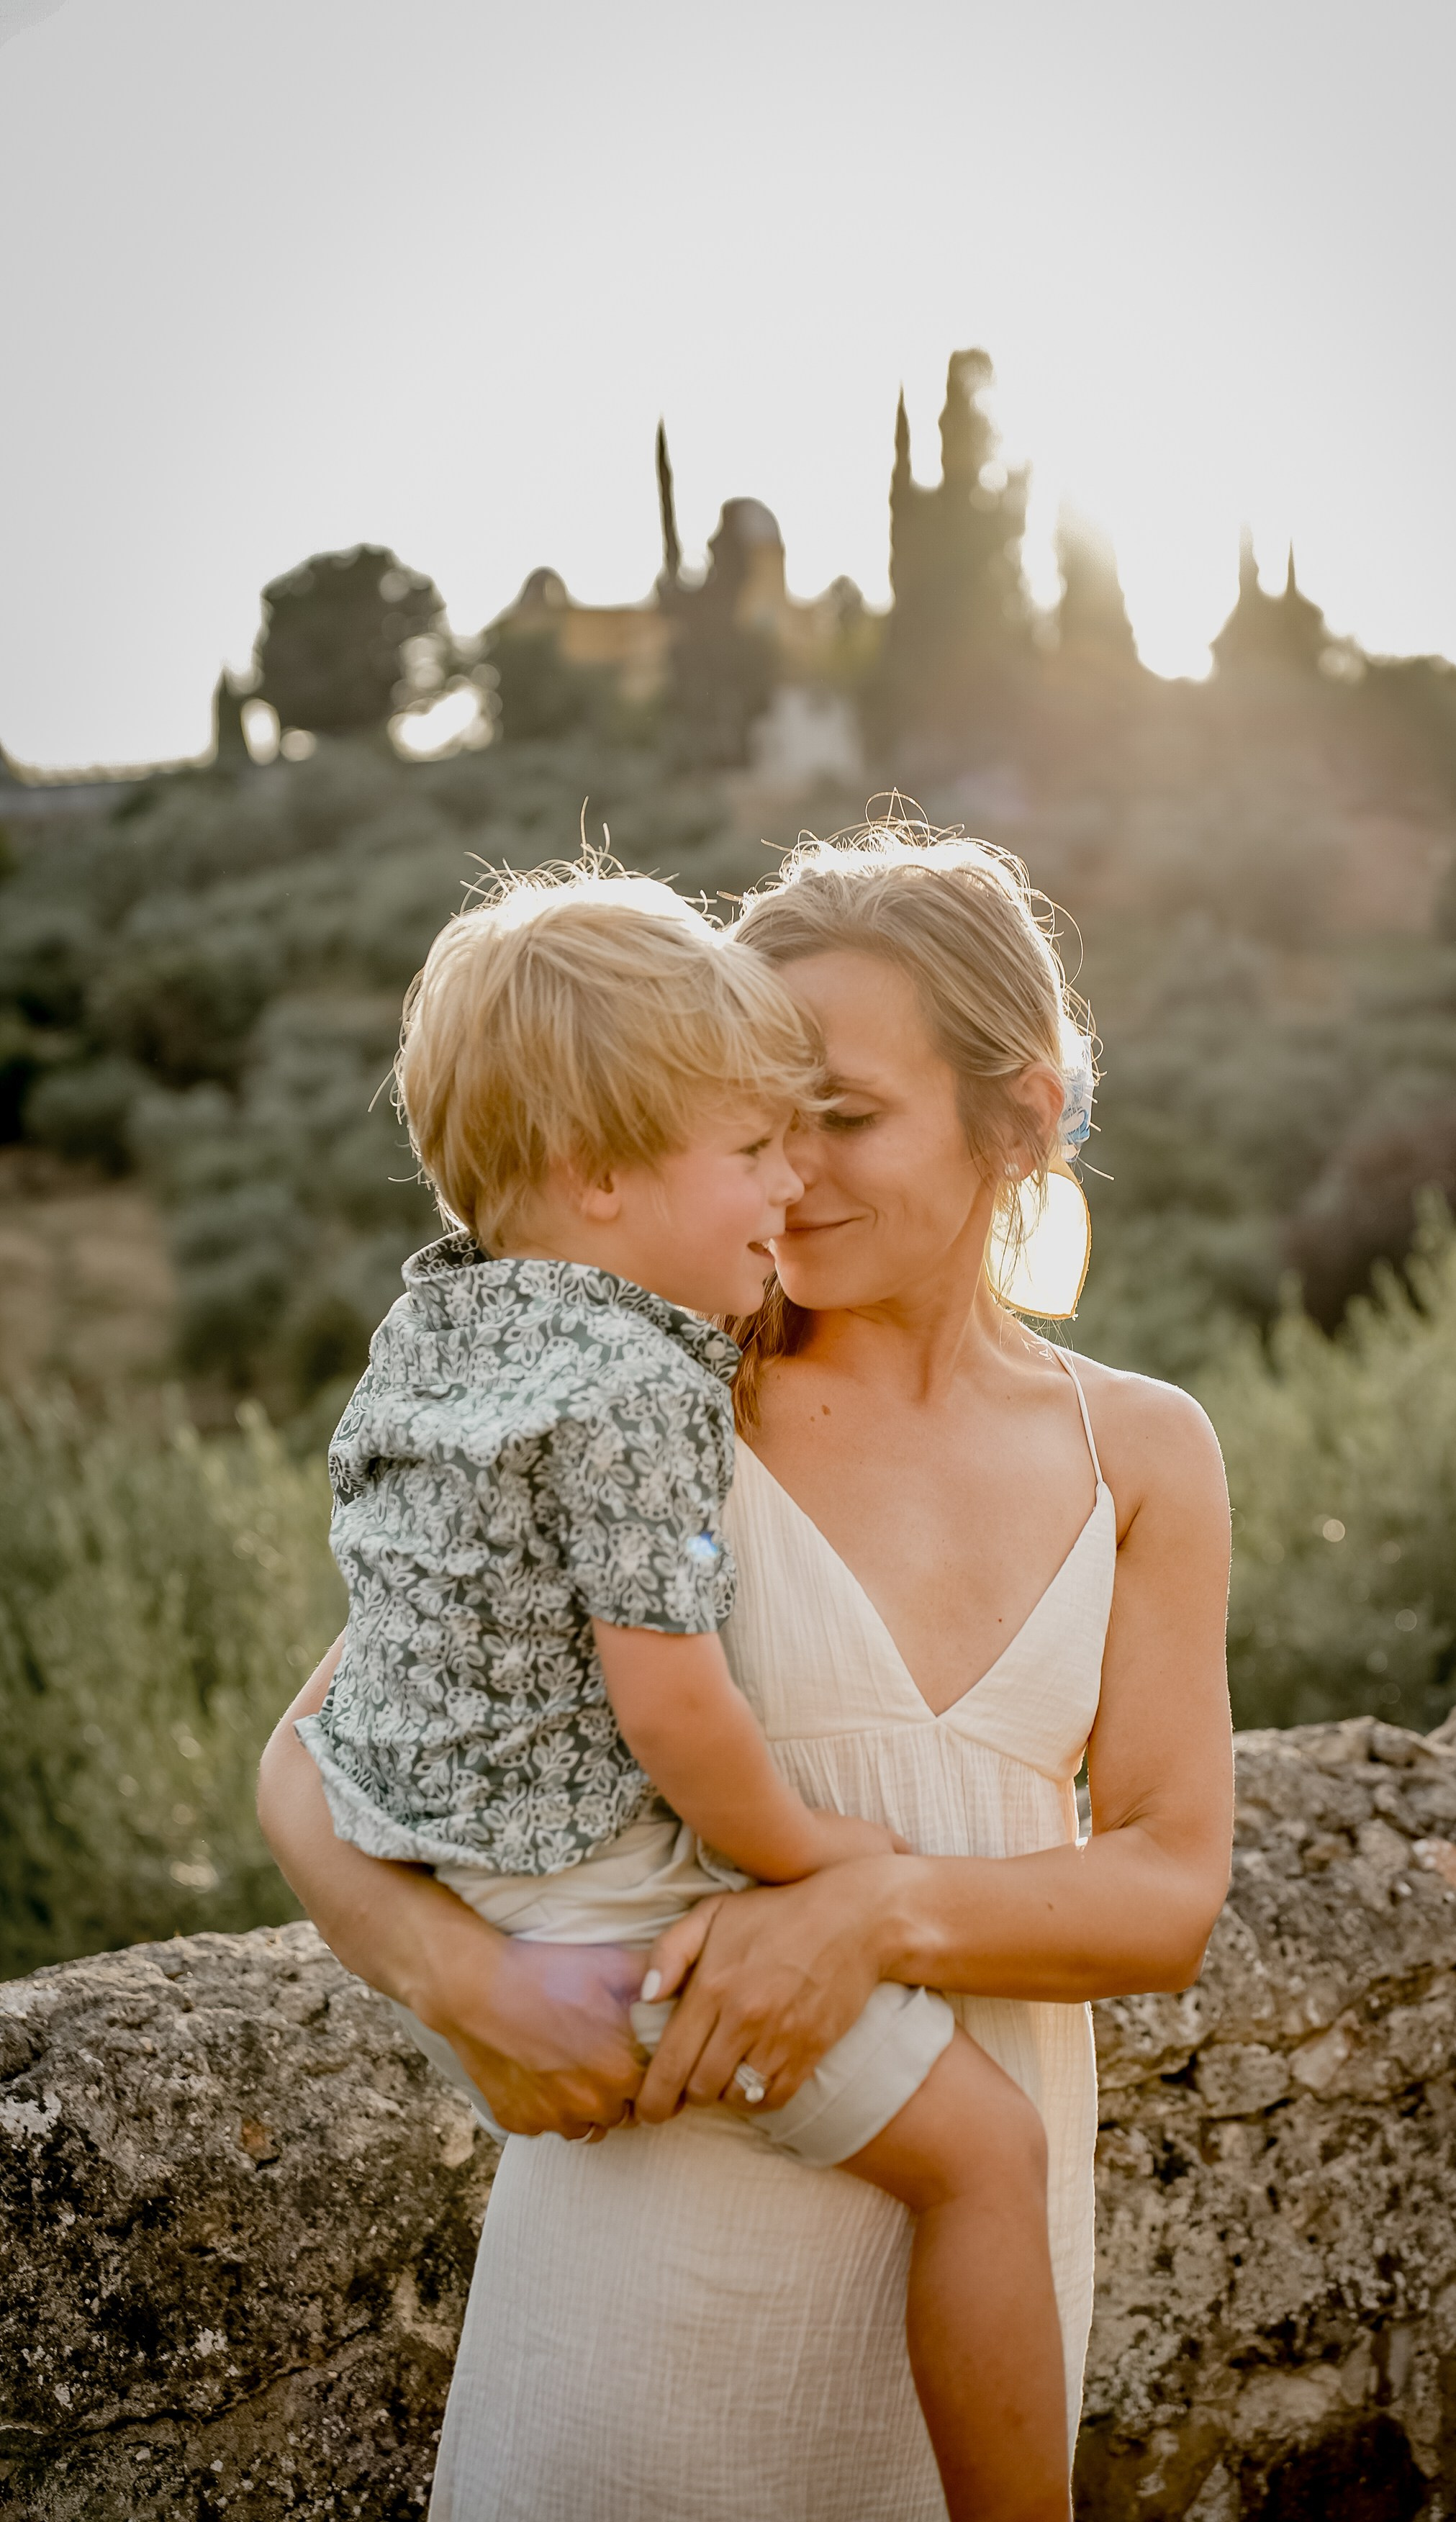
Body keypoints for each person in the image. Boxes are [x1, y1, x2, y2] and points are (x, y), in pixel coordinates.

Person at [258, 823, 1235, 2522]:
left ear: (1015, 1115)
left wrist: (868, 1916)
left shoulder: (1140, 1453)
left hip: (968, 2312)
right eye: (761, 1122)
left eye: (841, 1116)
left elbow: (1166, 1897)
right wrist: (463, 1986)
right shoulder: (652, 1390)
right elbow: (312, 1754)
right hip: (636, 2305)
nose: (792, 1172)